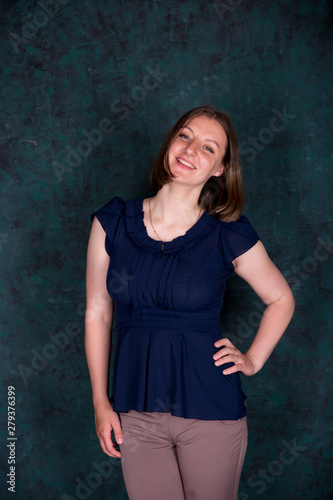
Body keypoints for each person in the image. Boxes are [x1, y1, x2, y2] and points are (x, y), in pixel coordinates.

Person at [85, 105, 295, 500]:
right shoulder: (111, 222)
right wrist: (101, 402)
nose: (190, 149)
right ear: (170, 143)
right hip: (136, 410)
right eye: (185, 136)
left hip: (211, 412)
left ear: (219, 168)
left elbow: (281, 297)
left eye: (208, 147)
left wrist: (253, 359)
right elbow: (97, 311)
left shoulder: (227, 234)